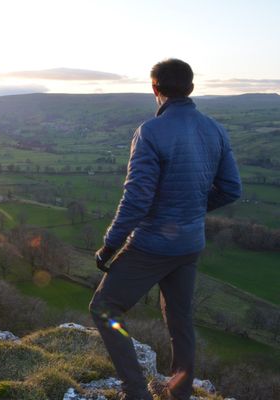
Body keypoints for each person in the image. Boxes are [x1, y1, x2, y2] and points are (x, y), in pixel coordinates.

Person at [88, 59, 242, 400]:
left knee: (104, 307)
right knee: (180, 320)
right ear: (190, 88)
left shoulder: (151, 132)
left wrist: (109, 246)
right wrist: (190, 210)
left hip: (151, 245)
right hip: (189, 244)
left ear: (155, 89)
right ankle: (179, 393)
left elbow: (136, 199)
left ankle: (136, 391)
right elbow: (231, 188)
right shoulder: (215, 130)